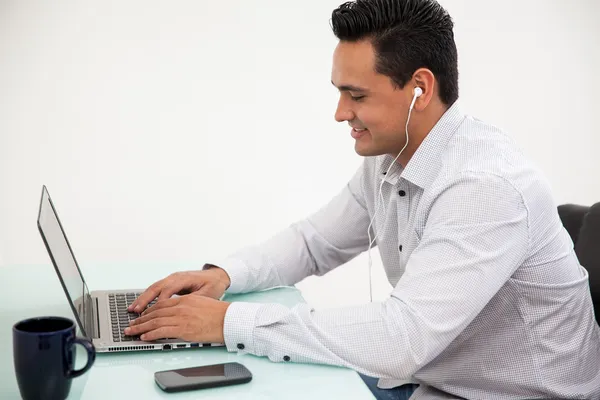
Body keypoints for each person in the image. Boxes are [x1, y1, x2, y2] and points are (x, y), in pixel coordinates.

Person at [125, 0, 600, 399]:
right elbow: (314, 243)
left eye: (356, 95)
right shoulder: (393, 153)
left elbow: (404, 337)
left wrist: (230, 323)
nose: (340, 113)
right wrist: (224, 277)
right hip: (435, 378)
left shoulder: (484, 188)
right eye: (339, 93)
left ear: (420, 88)